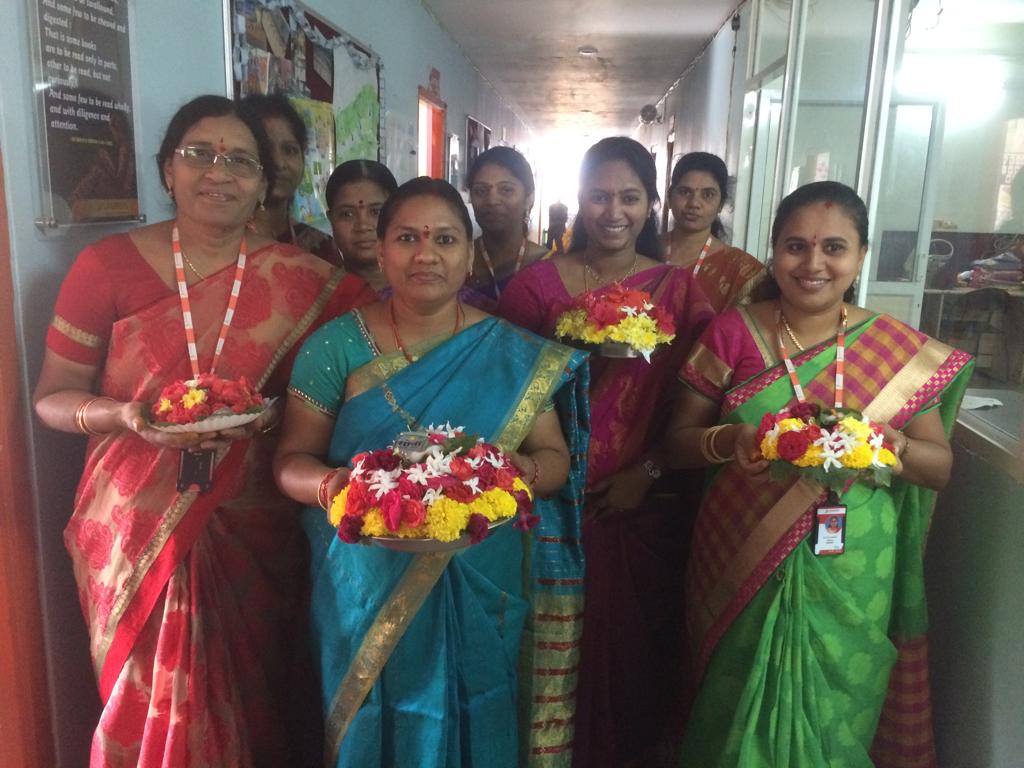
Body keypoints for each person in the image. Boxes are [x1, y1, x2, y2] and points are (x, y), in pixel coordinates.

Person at [33, 94, 376, 767]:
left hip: (256, 526)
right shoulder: (105, 267)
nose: (218, 171)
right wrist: (126, 416)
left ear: (262, 183)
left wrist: (280, 414)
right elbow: (51, 398)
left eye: (240, 160)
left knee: (256, 695)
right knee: (151, 693)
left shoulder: (311, 284)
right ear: (167, 170)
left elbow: (356, 385)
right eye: (199, 154)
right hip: (136, 526)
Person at [272, 177, 590, 767]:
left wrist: (515, 471)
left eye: (445, 239)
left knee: (481, 704)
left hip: (482, 568)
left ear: (468, 255)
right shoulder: (335, 347)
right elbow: (291, 461)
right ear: (381, 247)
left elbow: (553, 460)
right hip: (363, 572)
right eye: (407, 237)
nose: (426, 254)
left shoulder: (511, 350)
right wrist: (333, 488)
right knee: (375, 711)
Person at [668, 181, 973, 766]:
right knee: (733, 706)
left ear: (860, 255)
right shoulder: (733, 333)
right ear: (774, 250)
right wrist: (731, 440)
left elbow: (938, 470)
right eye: (796, 246)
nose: (813, 264)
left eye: (834, 247)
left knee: (839, 712)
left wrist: (894, 443)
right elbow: (678, 442)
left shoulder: (895, 348)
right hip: (739, 549)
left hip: (855, 565)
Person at [498, 137, 714, 768]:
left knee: (632, 655)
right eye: (598, 195)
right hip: (546, 504)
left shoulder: (679, 292)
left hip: (641, 504)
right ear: (579, 199)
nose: (612, 211)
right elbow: (507, 394)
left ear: (652, 204)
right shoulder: (534, 289)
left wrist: (647, 473)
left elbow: (697, 401)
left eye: (629, 196)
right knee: (542, 649)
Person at [238, 93, 336, 264]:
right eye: (265, 150)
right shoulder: (221, 245)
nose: (279, 163)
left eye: (290, 150)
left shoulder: (320, 247)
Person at [663, 151, 765, 311]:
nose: (694, 203)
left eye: (708, 195)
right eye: (684, 192)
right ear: (669, 197)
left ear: (721, 204)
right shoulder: (643, 251)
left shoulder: (739, 269)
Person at [464, 146, 550, 310]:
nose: (492, 200)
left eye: (506, 190)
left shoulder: (550, 267)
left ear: (529, 198)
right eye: (481, 190)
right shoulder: (457, 259)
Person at [324, 159, 399, 294]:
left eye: (376, 212)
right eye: (347, 214)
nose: (363, 226)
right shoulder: (319, 298)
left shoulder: (422, 291)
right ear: (331, 219)